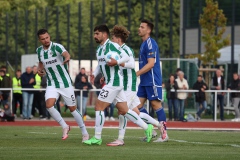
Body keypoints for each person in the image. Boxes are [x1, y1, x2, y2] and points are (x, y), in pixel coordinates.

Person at [83, 24, 153, 145]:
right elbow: (100, 65)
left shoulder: (112, 45)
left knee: (98, 107)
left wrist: (117, 62)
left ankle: (97, 137)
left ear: (104, 35)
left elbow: (127, 58)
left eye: (97, 34)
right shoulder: (99, 49)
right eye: (94, 34)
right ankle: (147, 128)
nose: (95, 36)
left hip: (114, 83)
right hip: (114, 83)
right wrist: (94, 73)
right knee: (125, 110)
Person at [107, 25, 163, 146]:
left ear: (118, 39)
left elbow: (132, 65)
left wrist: (119, 64)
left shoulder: (125, 49)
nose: (111, 40)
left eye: (113, 38)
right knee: (135, 112)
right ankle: (159, 125)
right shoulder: (118, 50)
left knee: (122, 111)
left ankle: (121, 139)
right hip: (125, 84)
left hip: (129, 84)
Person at [36, 28, 89, 141]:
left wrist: (67, 58)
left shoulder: (57, 47)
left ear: (49, 36)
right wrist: (39, 70)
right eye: (43, 39)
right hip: (52, 84)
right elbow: (41, 63)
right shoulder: (39, 51)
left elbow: (66, 54)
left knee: (73, 109)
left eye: (47, 37)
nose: (46, 40)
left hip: (65, 83)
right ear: (39, 40)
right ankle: (65, 126)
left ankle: (84, 132)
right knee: (49, 105)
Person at [136, 19, 168, 142]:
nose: (139, 29)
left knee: (156, 105)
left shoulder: (150, 43)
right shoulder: (143, 44)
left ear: (148, 30)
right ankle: (152, 130)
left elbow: (151, 64)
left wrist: (136, 74)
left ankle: (164, 134)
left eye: (142, 27)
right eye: (139, 27)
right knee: (136, 107)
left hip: (152, 80)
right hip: (144, 81)